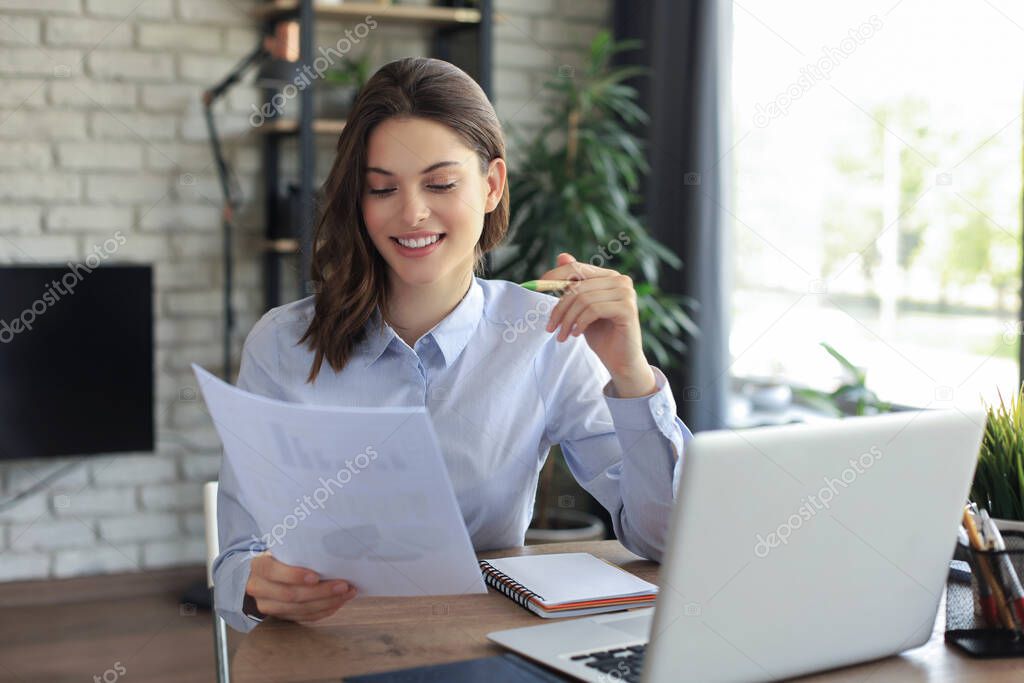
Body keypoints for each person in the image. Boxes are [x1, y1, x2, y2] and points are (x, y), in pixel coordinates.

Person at [213, 57, 692, 633]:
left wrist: (631, 373)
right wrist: (258, 584)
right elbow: (237, 563)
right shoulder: (283, 344)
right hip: (328, 641)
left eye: (440, 184)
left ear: (492, 186)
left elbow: (665, 539)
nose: (412, 212)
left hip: (480, 643)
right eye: (382, 188)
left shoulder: (545, 337)